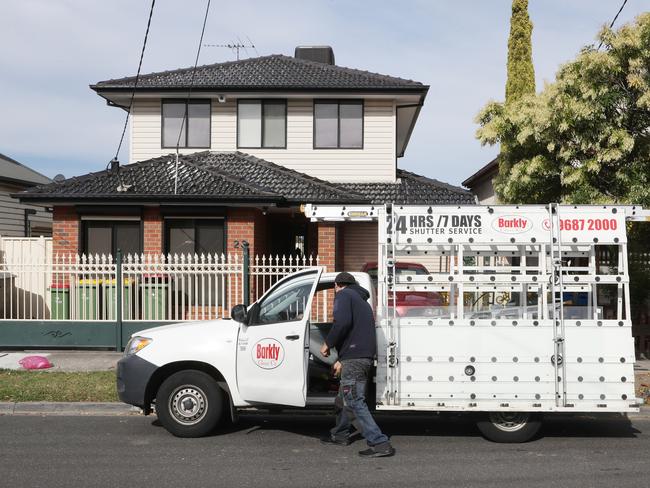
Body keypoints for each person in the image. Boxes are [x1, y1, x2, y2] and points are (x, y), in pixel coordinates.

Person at [320, 271, 395, 458]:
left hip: (354, 358)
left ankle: (379, 442)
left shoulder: (344, 295)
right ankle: (340, 434)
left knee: (353, 400)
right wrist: (341, 359)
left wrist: (327, 343)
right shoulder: (361, 300)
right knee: (344, 397)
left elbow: (342, 323)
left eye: (335, 288)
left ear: (337, 285)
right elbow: (355, 332)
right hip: (361, 356)